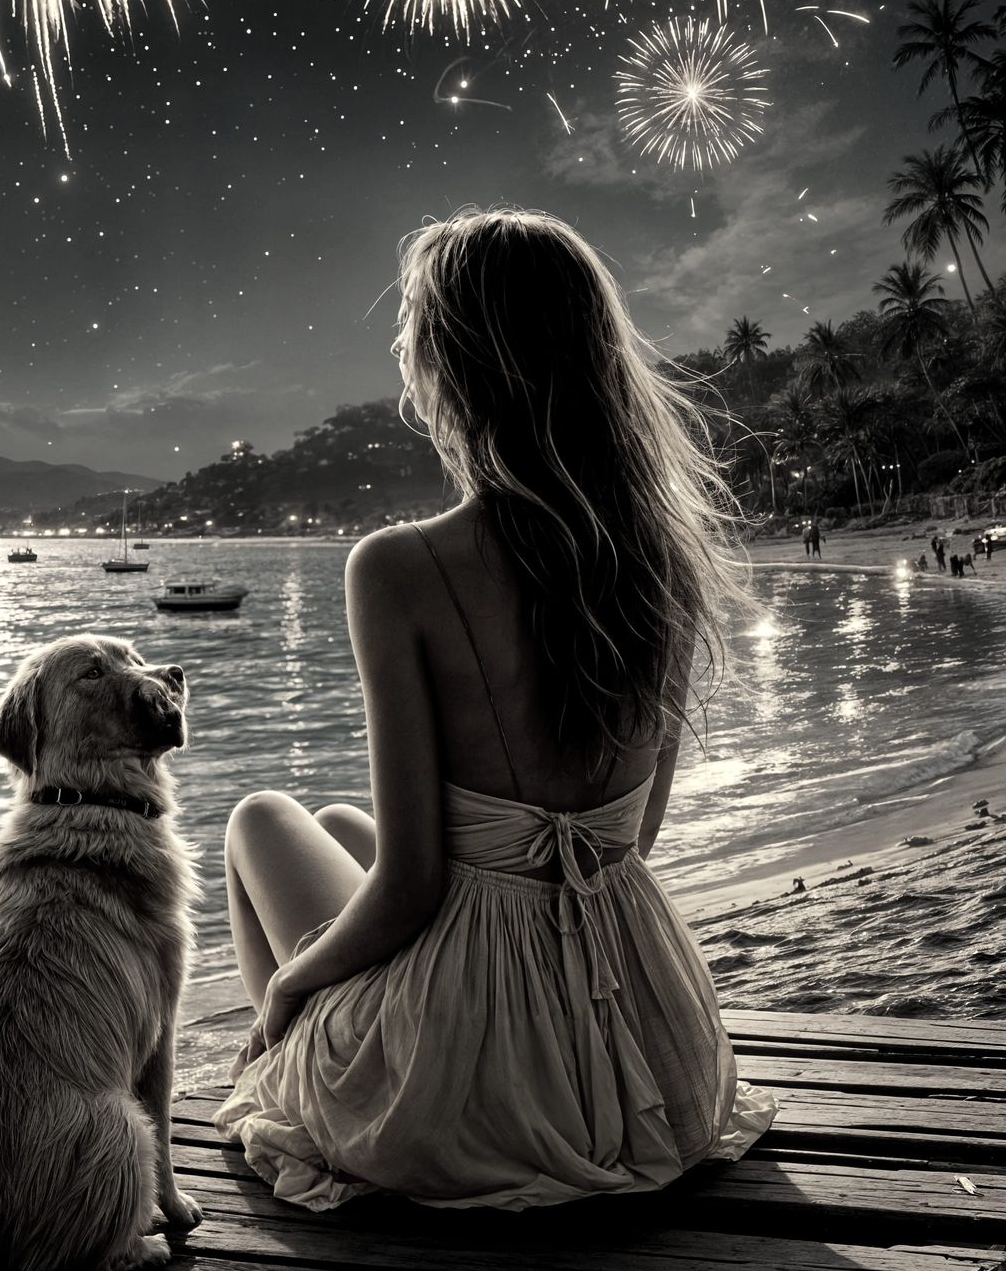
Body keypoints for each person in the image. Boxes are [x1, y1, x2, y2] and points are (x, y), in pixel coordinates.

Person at [216, 208, 776, 1212]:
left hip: (481, 1095)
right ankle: (301, 1049)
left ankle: (280, 1060)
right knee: (344, 824)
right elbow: (627, 843)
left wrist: (297, 984)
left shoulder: (399, 568)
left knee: (260, 817)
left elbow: (413, 888)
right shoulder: (661, 562)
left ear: (450, 370)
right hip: (652, 1065)